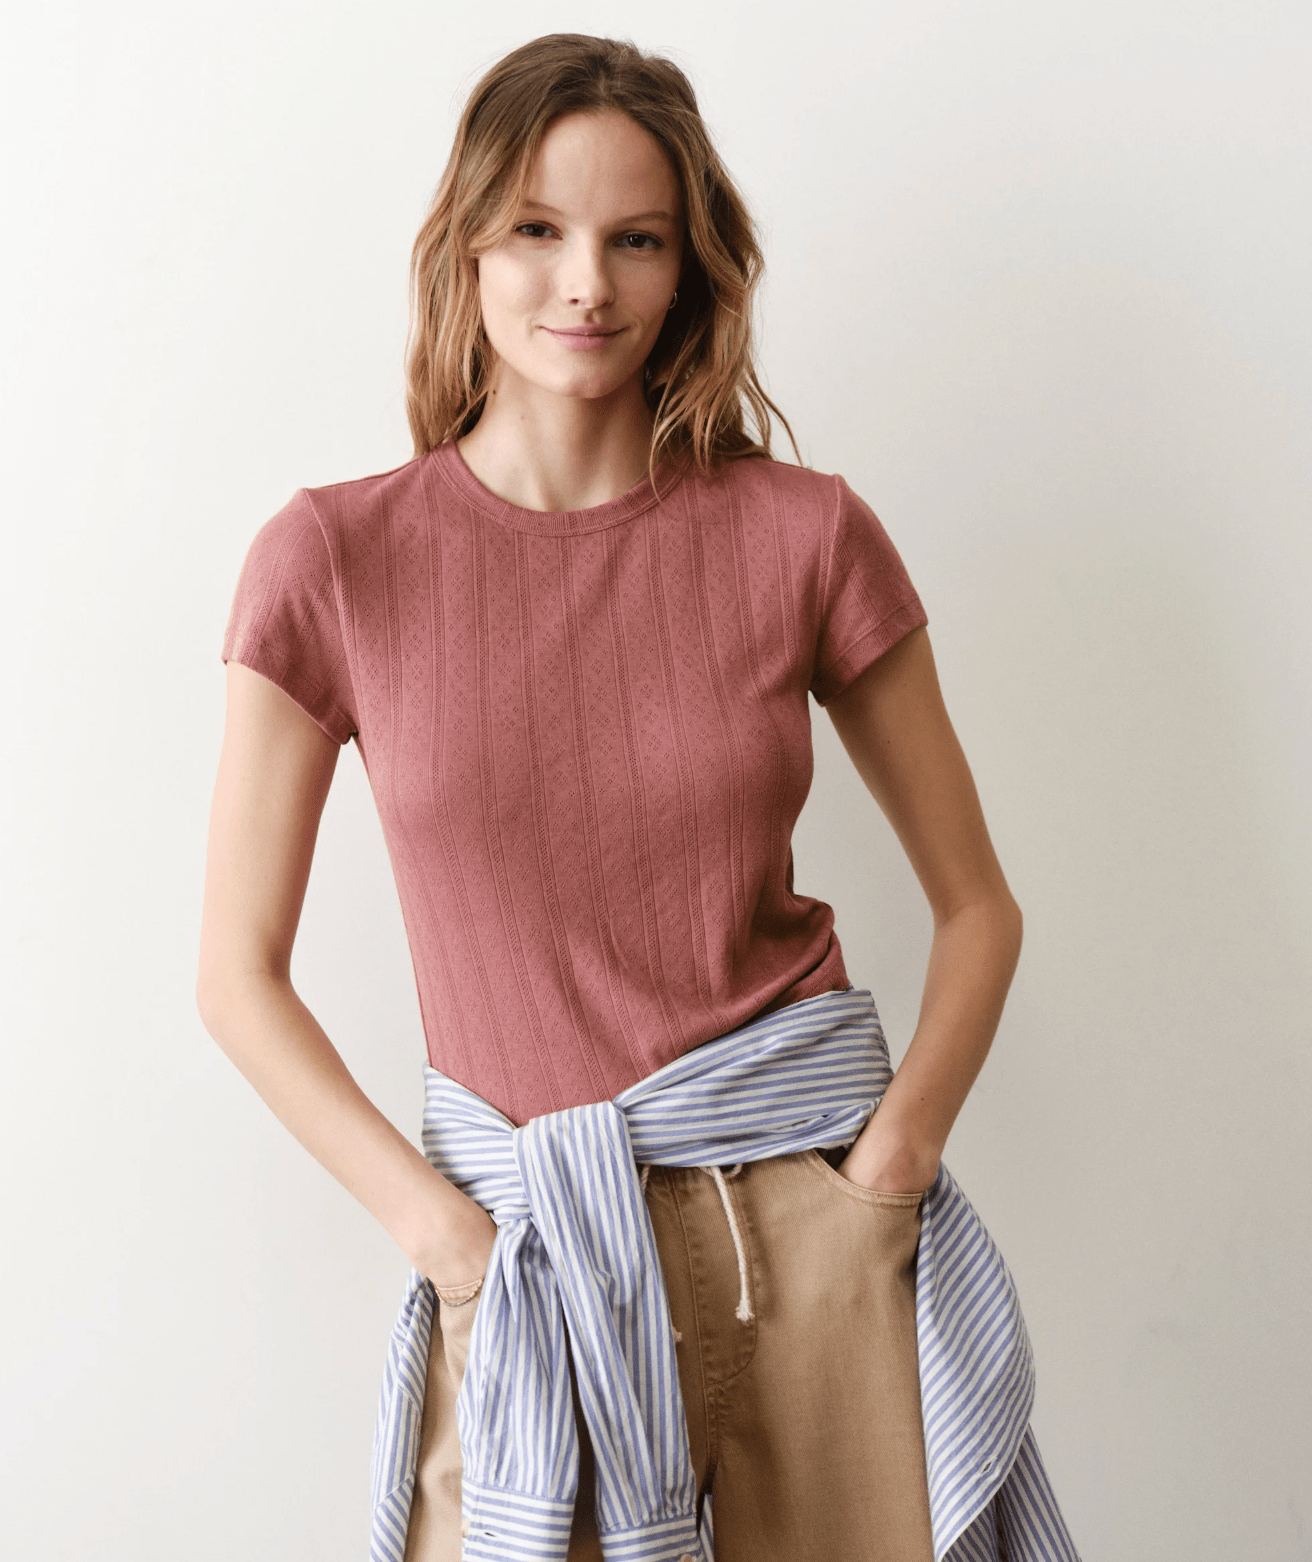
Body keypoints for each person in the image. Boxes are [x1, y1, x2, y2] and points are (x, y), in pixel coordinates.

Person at [197, 32, 1080, 1562]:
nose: (584, 283)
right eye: (537, 229)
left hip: (806, 1236)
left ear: (690, 267)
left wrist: (887, 1178)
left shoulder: (805, 537)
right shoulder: (334, 562)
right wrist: (444, 1237)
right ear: (466, 247)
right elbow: (235, 977)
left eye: (637, 239)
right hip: (528, 1257)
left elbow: (979, 909)